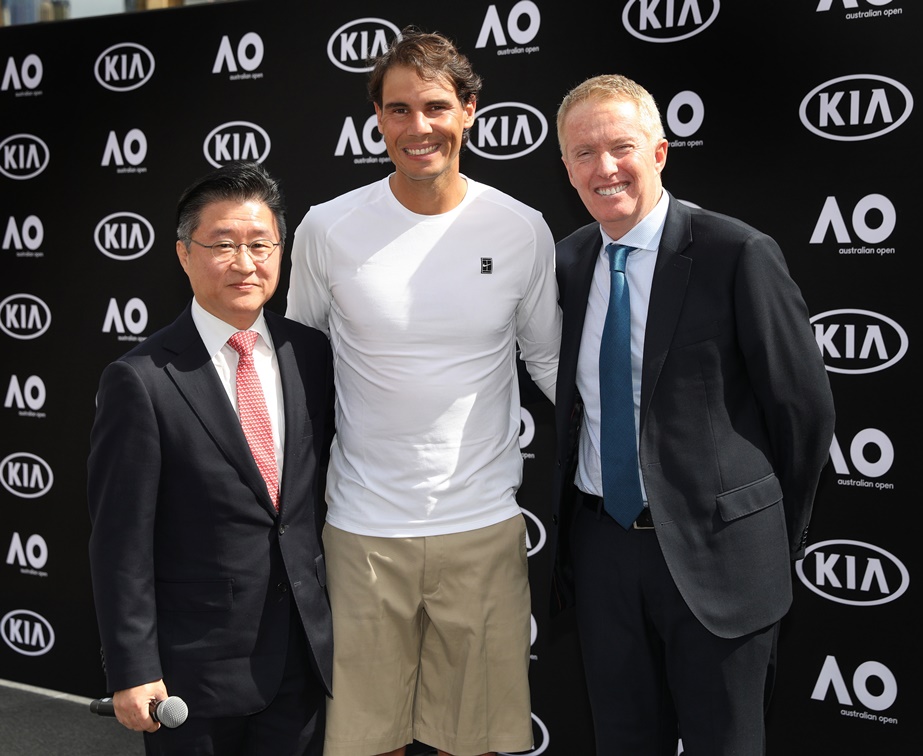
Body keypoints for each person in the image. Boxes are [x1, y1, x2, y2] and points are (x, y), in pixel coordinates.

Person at [284, 27, 560, 756]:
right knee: (366, 744)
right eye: (399, 109)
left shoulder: (521, 229)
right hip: (363, 531)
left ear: (469, 110)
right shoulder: (327, 229)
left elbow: (550, 363)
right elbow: (301, 370)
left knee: (473, 743)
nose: (418, 127)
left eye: (436, 106)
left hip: (483, 528)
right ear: (377, 118)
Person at [550, 74, 836, 755]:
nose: (604, 167)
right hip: (602, 552)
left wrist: (760, 532)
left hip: (720, 557)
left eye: (621, 147)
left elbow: (802, 411)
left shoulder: (736, 253)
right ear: (566, 166)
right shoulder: (566, 262)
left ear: (659, 151)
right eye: (584, 153)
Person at [87, 161, 335, 756]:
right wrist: (132, 668)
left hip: (300, 661)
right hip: (192, 676)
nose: (245, 263)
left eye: (260, 244)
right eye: (223, 245)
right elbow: (120, 541)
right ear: (183, 254)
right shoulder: (141, 379)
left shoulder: (311, 354)